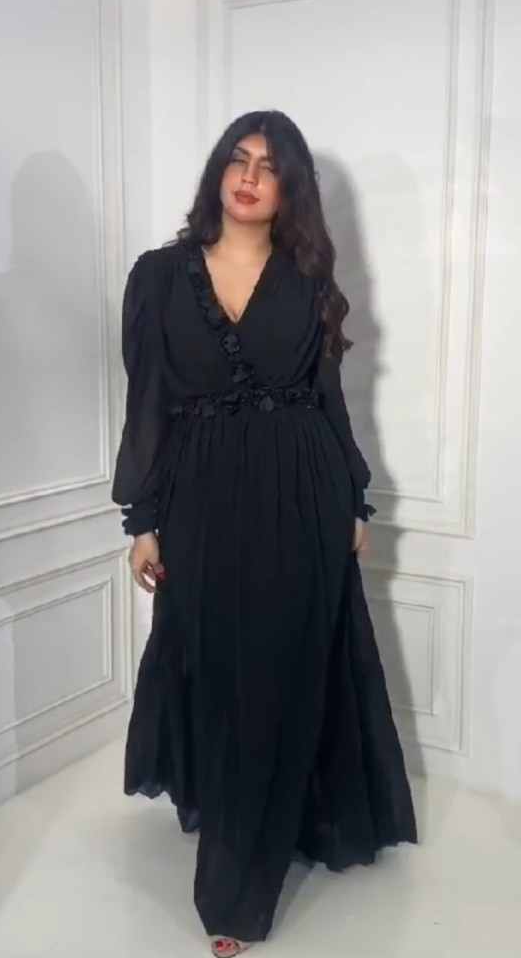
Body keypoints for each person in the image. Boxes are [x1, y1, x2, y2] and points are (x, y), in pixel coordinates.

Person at [112, 110, 417, 957]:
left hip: (301, 492)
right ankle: (235, 816)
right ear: (218, 171)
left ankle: (237, 894)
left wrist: (353, 499)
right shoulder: (158, 276)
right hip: (201, 499)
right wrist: (143, 519)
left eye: (269, 166)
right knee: (215, 667)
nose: (249, 177)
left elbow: (328, 398)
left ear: (290, 189)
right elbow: (148, 403)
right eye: (238, 160)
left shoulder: (306, 276)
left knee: (285, 671)